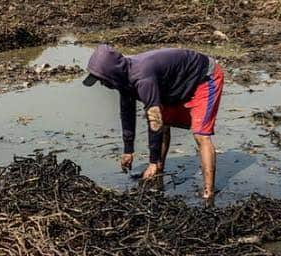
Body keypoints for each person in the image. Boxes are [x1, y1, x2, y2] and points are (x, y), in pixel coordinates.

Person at [83, 44, 224, 207]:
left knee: (201, 134)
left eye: (102, 80)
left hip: (204, 76)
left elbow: (154, 120)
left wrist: (151, 160)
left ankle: (208, 193)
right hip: (174, 83)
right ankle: (158, 170)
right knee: (164, 126)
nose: (102, 84)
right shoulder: (124, 77)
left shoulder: (143, 78)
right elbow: (127, 112)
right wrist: (128, 150)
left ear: (112, 73)